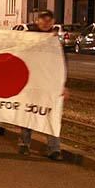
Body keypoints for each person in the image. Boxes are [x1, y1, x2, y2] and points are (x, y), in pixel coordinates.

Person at [19, 9, 64, 161]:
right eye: (43, 20)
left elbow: (62, 63)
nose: (46, 23)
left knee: (52, 114)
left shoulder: (55, 40)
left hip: (50, 83)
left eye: (49, 20)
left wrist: (64, 84)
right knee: (29, 112)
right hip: (32, 82)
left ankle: (54, 148)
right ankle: (24, 143)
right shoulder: (30, 36)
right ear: (37, 21)